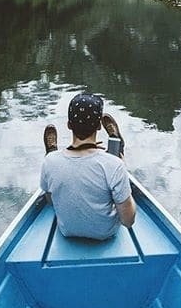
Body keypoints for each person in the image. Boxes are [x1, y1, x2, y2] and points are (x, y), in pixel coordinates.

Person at [40, 93, 136, 240]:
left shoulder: (48, 162)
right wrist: (122, 168)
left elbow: (50, 201)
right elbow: (128, 221)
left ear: (69, 125)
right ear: (98, 126)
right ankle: (117, 146)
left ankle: (53, 152)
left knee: (54, 161)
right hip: (105, 233)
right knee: (115, 170)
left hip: (67, 231)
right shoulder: (113, 165)